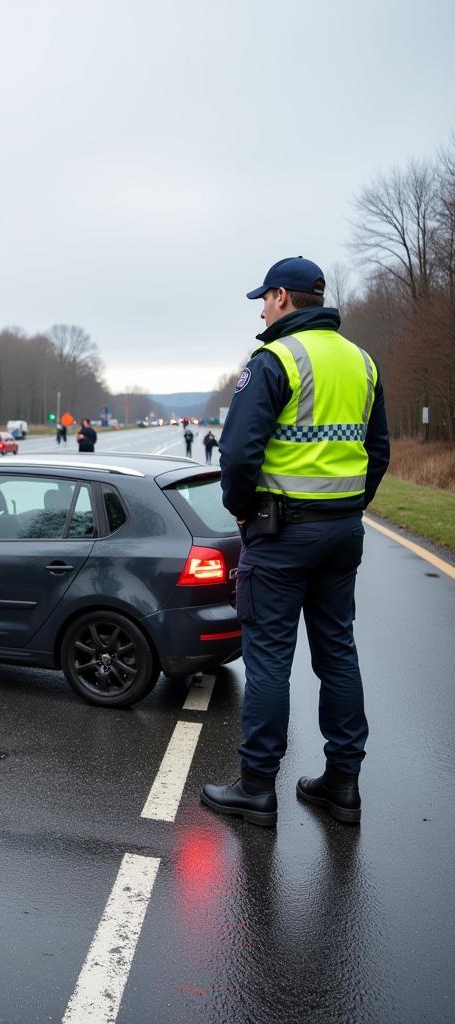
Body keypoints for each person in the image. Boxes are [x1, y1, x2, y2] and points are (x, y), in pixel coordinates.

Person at [201, 257, 389, 829]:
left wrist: (242, 513)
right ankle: (343, 785)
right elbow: (377, 451)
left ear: (283, 297)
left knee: (269, 664)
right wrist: (351, 504)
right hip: (342, 530)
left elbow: (236, 455)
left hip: (280, 534)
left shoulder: (274, 359)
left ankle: (257, 788)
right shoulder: (362, 362)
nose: (261, 309)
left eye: (264, 298)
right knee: (338, 653)